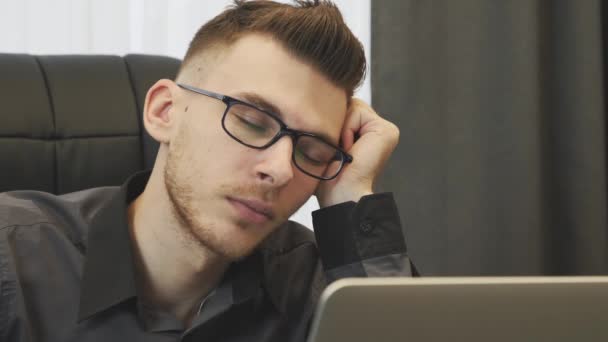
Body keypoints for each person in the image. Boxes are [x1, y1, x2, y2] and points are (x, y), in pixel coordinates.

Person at [0, 1, 416, 341]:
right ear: (165, 112)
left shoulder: (322, 288)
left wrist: (354, 195)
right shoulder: (11, 259)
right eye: (252, 121)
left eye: (312, 149)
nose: (280, 170)